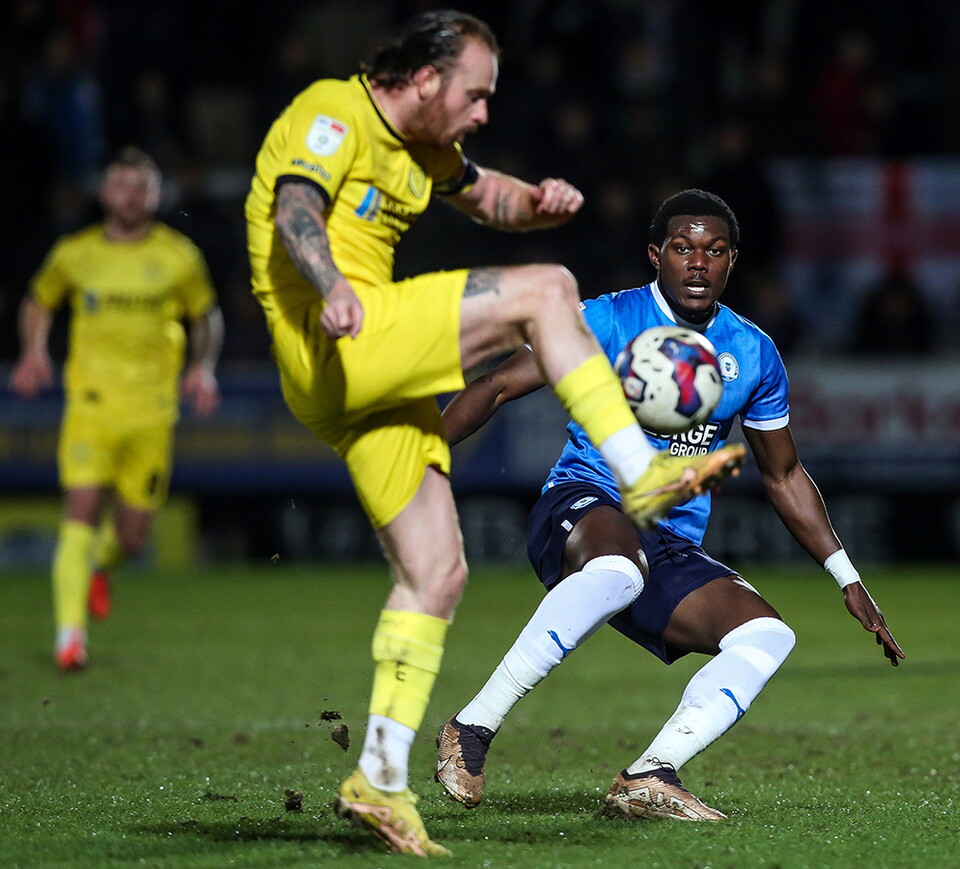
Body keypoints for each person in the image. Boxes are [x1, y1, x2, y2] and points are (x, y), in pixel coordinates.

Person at [243, 11, 744, 858]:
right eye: (476, 94)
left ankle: (379, 777)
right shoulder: (334, 110)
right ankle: (642, 470)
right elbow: (297, 207)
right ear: (427, 77)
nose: (482, 112)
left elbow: (489, 195)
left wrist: (541, 204)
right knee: (549, 290)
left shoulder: (425, 148)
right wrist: (328, 281)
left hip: (357, 389)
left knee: (437, 573)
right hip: (338, 329)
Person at [435, 188, 904, 822]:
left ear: (731, 261)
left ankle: (650, 776)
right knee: (617, 569)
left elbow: (785, 474)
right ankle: (473, 726)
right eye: (683, 248)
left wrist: (846, 577)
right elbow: (494, 387)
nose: (697, 263)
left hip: (667, 540)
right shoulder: (603, 321)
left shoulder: (753, 352)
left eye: (713, 251)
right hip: (583, 503)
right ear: (657, 254)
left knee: (766, 635)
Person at [9, 146, 223, 672]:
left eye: (141, 185)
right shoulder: (75, 252)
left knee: (131, 537)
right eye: (121, 183)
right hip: (91, 405)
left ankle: (99, 568)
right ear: (104, 193)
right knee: (78, 512)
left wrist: (204, 367)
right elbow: (39, 301)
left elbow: (206, 316)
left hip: (152, 412)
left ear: (156, 195)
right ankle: (69, 637)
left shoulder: (178, 255)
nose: (130, 193)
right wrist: (33, 352)